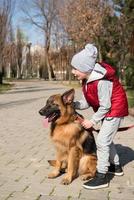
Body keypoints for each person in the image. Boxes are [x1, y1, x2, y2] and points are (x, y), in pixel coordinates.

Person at [71, 43, 128, 190]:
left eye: (75, 68)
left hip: (114, 109)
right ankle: (116, 167)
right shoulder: (86, 81)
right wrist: (74, 104)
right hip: (107, 110)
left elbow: (106, 105)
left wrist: (92, 121)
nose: (73, 71)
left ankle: (102, 176)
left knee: (102, 142)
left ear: (85, 68)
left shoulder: (101, 81)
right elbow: (88, 102)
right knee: (106, 140)